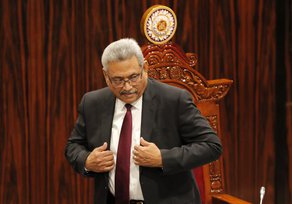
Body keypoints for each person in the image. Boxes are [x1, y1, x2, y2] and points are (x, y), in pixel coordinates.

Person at [65, 38, 222, 204]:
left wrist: (163, 158)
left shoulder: (174, 100)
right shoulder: (92, 103)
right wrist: (87, 161)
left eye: (133, 77)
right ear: (106, 76)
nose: (127, 87)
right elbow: (73, 147)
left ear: (144, 68)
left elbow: (211, 146)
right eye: (118, 80)